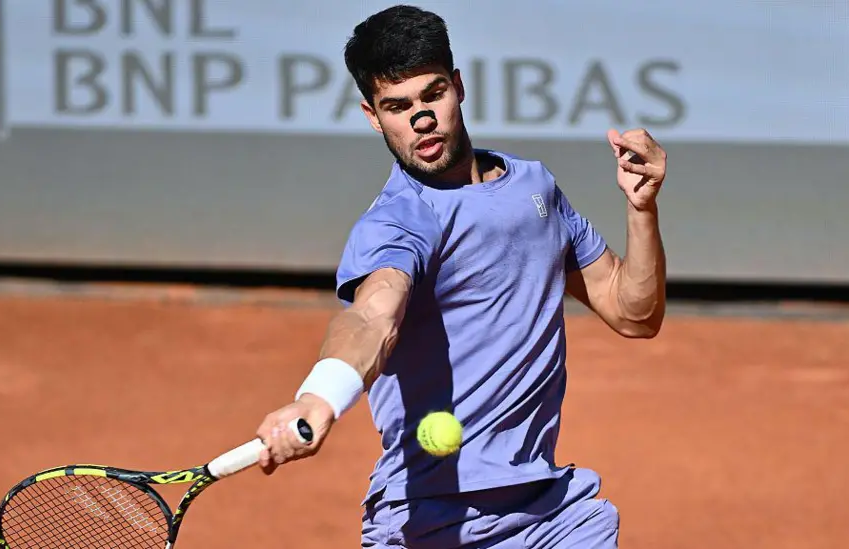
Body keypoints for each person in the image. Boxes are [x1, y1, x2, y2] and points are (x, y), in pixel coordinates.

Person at [253, 5, 667, 548]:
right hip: (432, 518)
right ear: (373, 116)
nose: (420, 118)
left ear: (458, 87)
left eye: (432, 95)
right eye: (397, 106)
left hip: (547, 511)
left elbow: (634, 313)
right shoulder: (397, 222)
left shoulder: (535, 188)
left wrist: (642, 210)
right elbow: (373, 317)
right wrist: (319, 397)